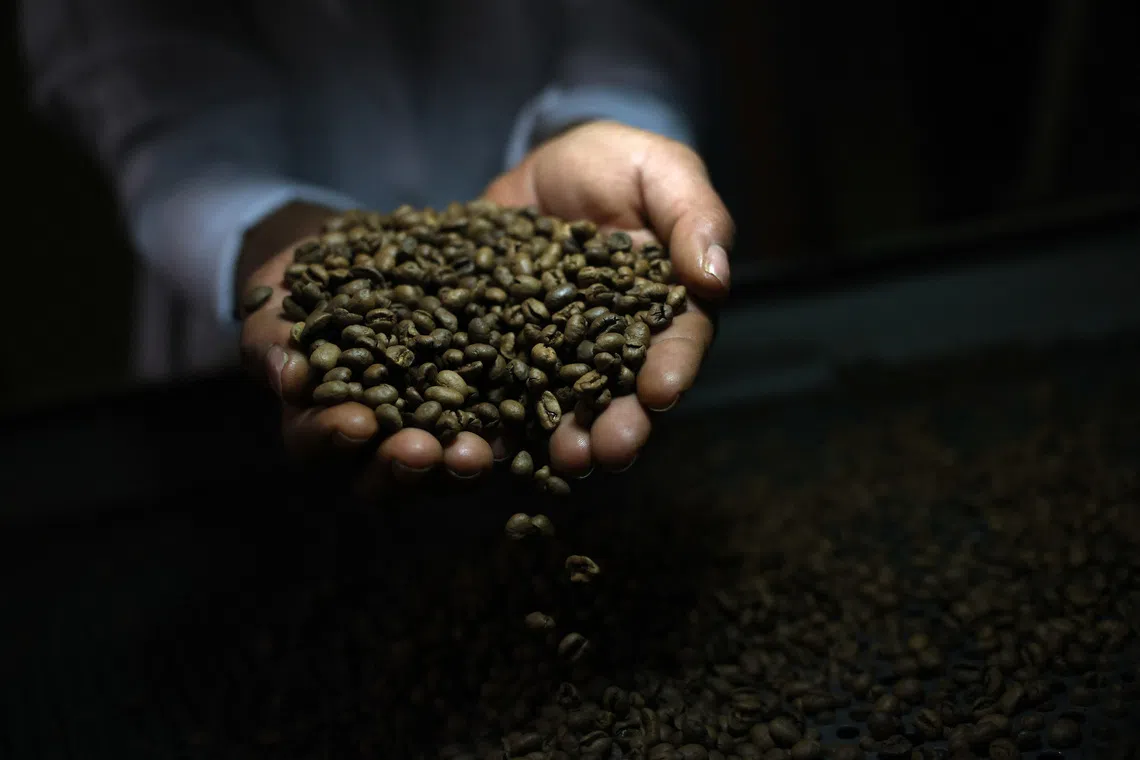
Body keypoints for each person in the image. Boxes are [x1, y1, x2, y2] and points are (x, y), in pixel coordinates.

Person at [22, 0, 734, 492]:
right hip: (227, 370)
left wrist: (604, 118)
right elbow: (149, 101)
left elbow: (634, 23)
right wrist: (270, 231)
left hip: (566, 221)